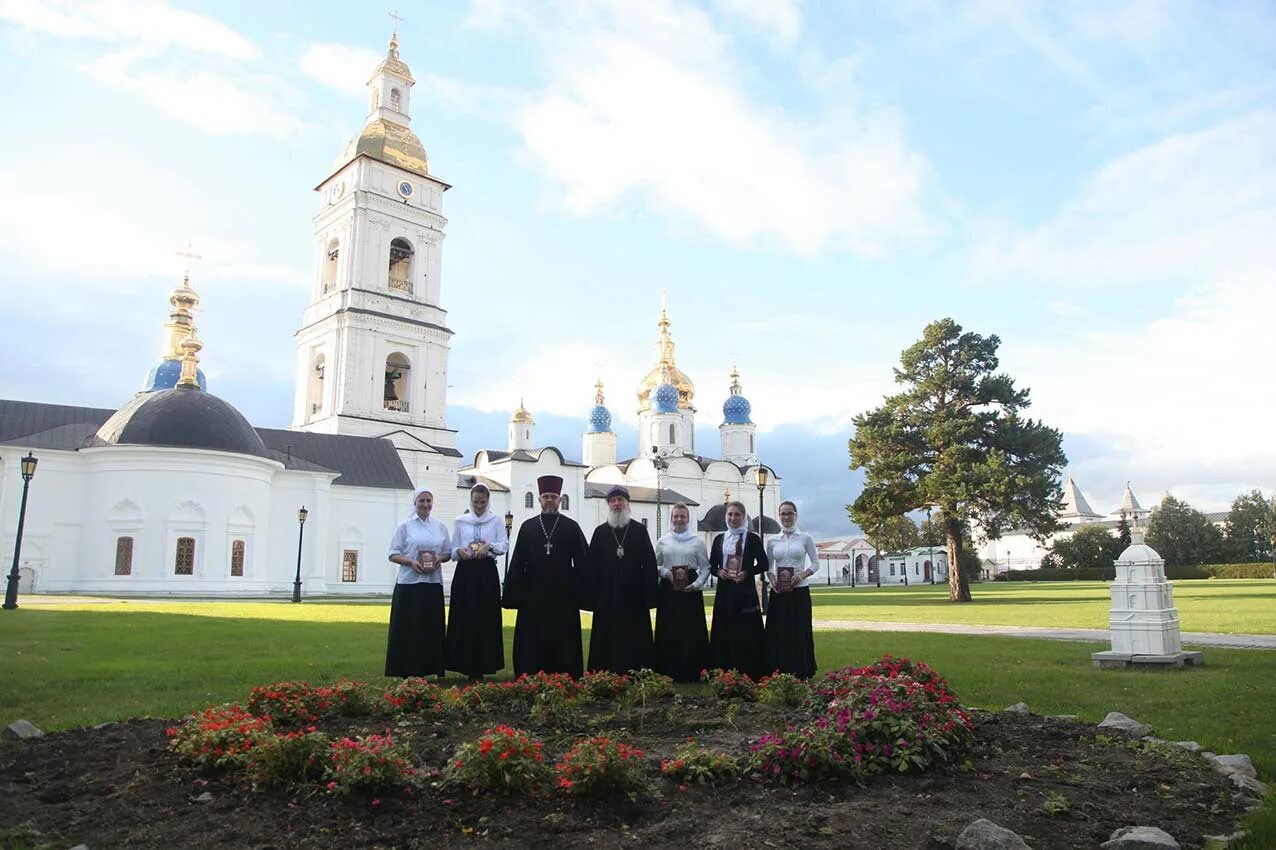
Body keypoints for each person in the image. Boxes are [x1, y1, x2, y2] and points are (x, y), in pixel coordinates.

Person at [502, 475, 589, 678]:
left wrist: (577, 590)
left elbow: (583, 562)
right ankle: (530, 673)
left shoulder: (571, 527)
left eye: (553, 496)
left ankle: (565, 675)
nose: (549, 500)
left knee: (564, 638)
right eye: (545, 496)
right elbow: (517, 562)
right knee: (532, 638)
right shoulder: (527, 527)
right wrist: (514, 594)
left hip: (563, 596)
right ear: (539, 499)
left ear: (560, 499)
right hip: (533, 595)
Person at [585, 485, 658, 674]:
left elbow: (649, 564)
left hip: (634, 596)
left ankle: (636, 673)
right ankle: (604, 673)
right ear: (608, 504)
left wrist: (649, 596)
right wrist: (592, 597)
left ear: (628, 503)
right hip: (606, 596)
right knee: (606, 636)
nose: (617, 504)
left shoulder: (639, 530)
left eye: (620, 500)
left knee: (635, 636)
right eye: (613, 500)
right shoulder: (600, 532)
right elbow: (591, 568)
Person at [385, 487, 452, 678]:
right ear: (415, 503)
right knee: (409, 628)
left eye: (428, 501)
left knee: (430, 629)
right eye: (421, 501)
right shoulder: (405, 527)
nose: (425, 505)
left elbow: (447, 551)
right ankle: (406, 669)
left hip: (432, 584)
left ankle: (429, 668)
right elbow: (392, 554)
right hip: (410, 585)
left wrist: (440, 559)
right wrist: (411, 562)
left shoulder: (439, 526)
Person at [446, 483, 507, 681]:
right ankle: (464, 663)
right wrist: (459, 552)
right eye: (476, 502)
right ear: (470, 501)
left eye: (482, 502)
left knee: (485, 618)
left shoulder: (496, 521)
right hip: (465, 572)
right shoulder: (461, 521)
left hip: (486, 572)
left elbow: (504, 545)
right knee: (465, 617)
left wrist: (489, 548)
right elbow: (453, 547)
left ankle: (483, 664)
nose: (479, 506)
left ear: (488, 501)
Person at [708, 500, 768, 679]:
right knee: (725, 629)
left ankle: (748, 670)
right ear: (726, 517)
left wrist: (747, 573)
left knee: (746, 630)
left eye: (737, 515)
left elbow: (763, 563)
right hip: (725, 591)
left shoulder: (752, 538)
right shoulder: (719, 539)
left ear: (743, 517)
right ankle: (724, 669)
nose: (733, 518)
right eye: (730, 514)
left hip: (745, 590)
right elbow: (711, 565)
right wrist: (719, 572)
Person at [653, 502, 711, 682]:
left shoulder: (697, 542)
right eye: (676, 516)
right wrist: (665, 573)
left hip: (690, 591)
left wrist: (697, 584)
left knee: (690, 631)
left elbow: (705, 568)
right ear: (671, 519)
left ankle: (692, 672)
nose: (679, 520)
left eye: (683, 516)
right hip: (668, 590)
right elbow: (654, 565)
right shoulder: (663, 541)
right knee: (668, 630)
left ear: (688, 519)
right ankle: (667, 672)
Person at [764, 500, 819, 678]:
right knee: (778, 631)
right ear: (779, 516)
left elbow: (815, 564)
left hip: (800, 591)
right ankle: (778, 668)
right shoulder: (772, 541)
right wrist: (771, 579)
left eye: (790, 513)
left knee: (799, 630)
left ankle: (801, 670)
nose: (786, 517)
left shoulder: (805, 538)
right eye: (783, 514)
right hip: (779, 592)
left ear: (796, 515)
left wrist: (802, 575)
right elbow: (768, 567)